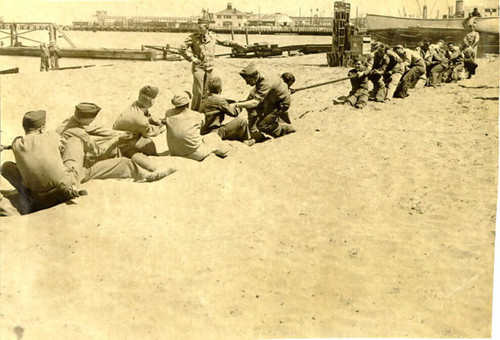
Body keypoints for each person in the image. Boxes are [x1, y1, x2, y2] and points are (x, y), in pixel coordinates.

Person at [57, 102, 174, 181]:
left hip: (66, 159)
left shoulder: (69, 121)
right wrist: (116, 139)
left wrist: (117, 133)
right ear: (86, 119)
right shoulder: (79, 133)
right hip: (77, 169)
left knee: (114, 147)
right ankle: (146, 175)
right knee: (122, 161)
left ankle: (146, 166)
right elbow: (98, 151)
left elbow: (95, 129)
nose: (93, 121)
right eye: (92, 119)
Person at [0, 110, 85, 214]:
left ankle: (27, 195)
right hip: (64, 191)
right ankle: (74, 182)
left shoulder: (17, 143)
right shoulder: (51, 136)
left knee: (6, 167)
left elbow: (19, 147)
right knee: (74, 142)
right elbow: (63, 147)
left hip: (37, 197)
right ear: (41, 129)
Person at [178, 18, 245, 111]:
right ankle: (195, 112)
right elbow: (181, 48)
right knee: (198, 92)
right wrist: (191, 58)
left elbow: (226, 42)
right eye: (198, 27)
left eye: (200, 27)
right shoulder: (193, 37)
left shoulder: (213, 36)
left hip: (209, 68)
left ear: (207, 27)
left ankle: (205, 110)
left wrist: (238, 45)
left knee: (208, 91)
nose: (198, 29)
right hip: (198, 68)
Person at [234, 63, 295, 141]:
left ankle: (283, 130)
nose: (247, 83)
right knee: (255, 112)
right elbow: (251, 100)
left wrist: (237, 105)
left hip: (280, 103)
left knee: (263, 126)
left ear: (255, 77)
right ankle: (259, 130)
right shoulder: (260, 78)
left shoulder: (264, 83)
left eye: (248, 80)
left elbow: (255, 102)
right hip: (271, 99)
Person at [165, 91, 231, 161]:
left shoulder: (168, 113)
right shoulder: (195, 115)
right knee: (214, 137)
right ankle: (226, 152)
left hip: (175, 152)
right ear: (188, 104)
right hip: (194, 154)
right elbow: (202, 123)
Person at [113, 86, 165, 171]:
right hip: (123, 145)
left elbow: (144, 116)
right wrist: (162, 128)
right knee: (152, 167)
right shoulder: (141, 120)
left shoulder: (136, 105)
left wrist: (155, 120)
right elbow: (150, 132)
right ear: (151, 101)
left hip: (123, 136)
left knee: (149, 145)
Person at [200, 76, 254, 145]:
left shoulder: (204, 100)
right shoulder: (220, 102)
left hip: (203, 132)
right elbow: (234, 113)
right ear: (220, 89)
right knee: (242, 121)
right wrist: (239, 105)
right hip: (214, 133)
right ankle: (246, 140)